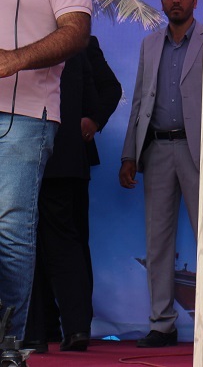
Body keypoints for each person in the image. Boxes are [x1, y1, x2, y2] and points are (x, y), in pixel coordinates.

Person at [0, 0, 92, 340]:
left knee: (10, 227)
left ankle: (9, 341)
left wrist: (14, 59)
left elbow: (76, 31)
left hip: (24, 117)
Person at [119, 0, 203, 348]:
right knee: (158, 240)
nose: (176, 0)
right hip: (156, 150)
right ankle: (162, 324)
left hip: (199, 149)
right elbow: (139, 101)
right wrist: (129, 154)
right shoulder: (150, 44)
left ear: (195, 1)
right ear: (162, 1)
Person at [25, 35, 121, 353]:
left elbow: (106, 91)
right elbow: (92, 95)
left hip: (32, 154)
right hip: (64, 155)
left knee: (28, 242)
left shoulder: (21, 42)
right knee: (64, 243)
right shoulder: (74, 42)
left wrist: (92, 120)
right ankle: (70, 327)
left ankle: (37, 331)